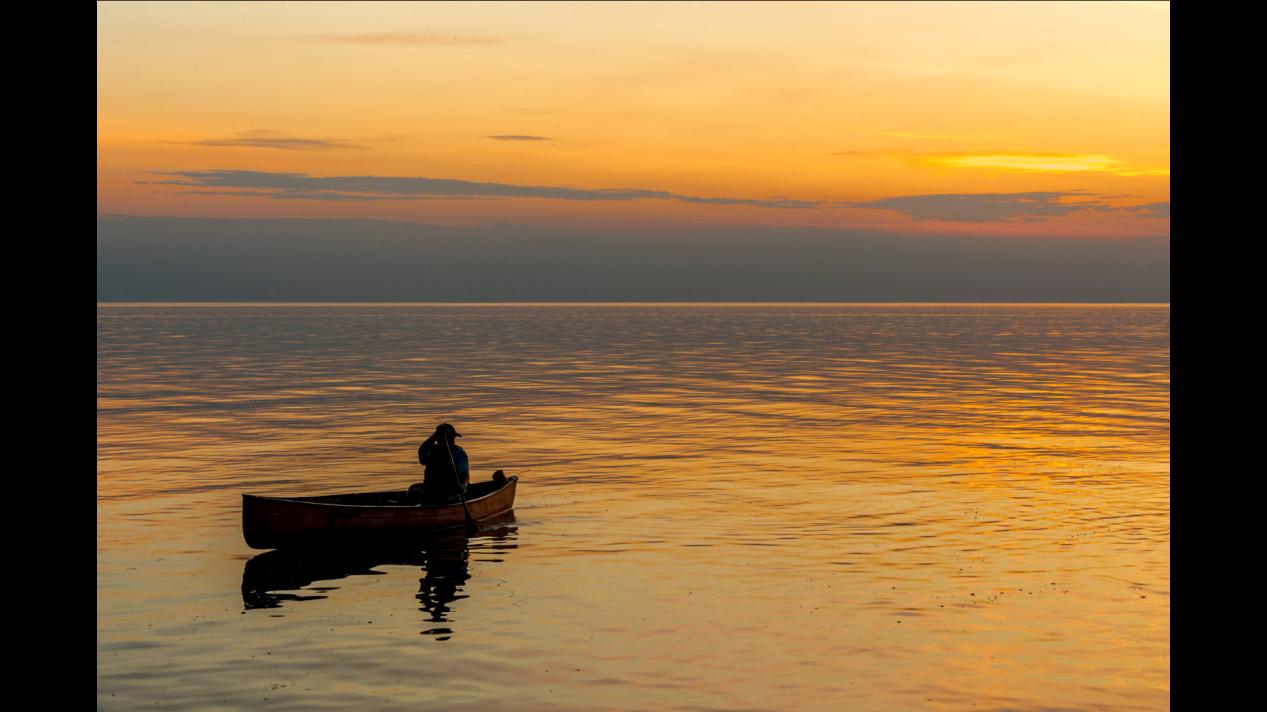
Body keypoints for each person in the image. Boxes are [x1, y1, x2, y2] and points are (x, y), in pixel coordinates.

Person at [412, 423, 470, 505]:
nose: (452, 441)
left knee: (455, 498)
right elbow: (422, 455)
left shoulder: (459, 453)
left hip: (451, 492)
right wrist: (435, 436)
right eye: (449, 438)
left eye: (452, 438)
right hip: (431, 491)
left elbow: (465, 474)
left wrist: (463, 485)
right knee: (413, 489)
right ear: (438, 439)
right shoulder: (431, 451)